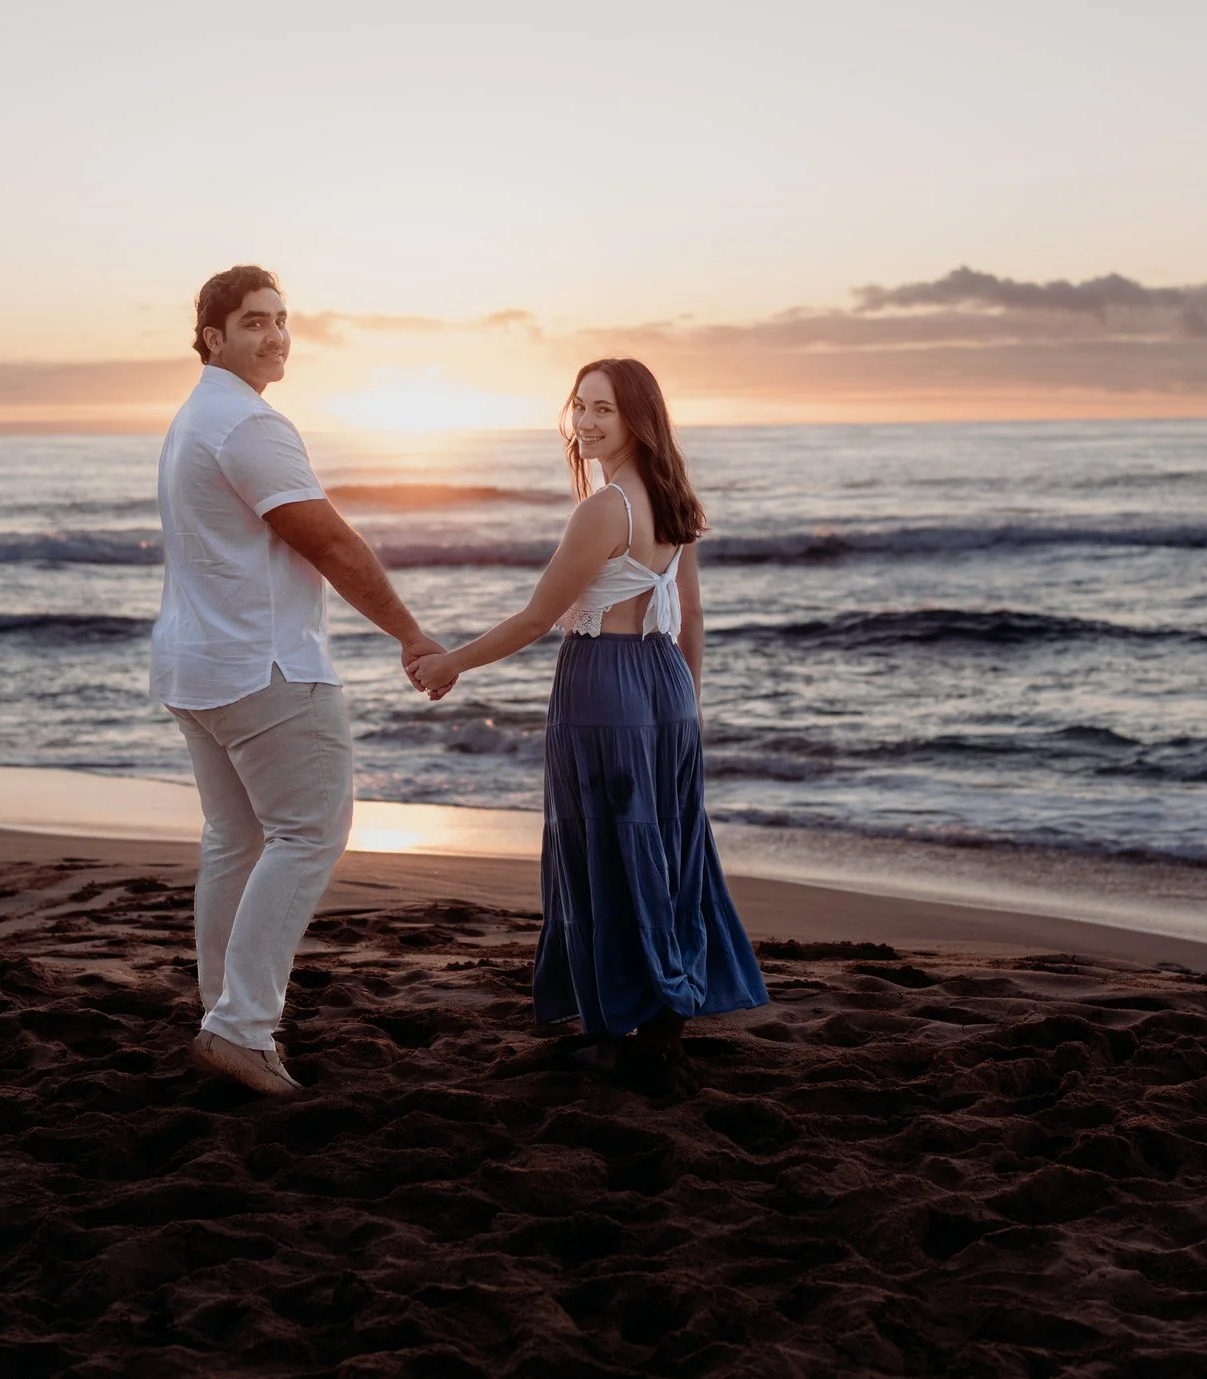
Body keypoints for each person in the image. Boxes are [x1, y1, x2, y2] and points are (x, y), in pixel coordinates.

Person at [409, 358, 767, 1077]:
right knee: (661, 847)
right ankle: (666, 1015)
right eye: (580, 407)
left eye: (604, 409)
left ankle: (619, 1019)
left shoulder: (604, 509)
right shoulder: (674, 499)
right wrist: (683, 707)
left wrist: (453, 662)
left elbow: (540, 616)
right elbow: (689, 617)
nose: (588, 422)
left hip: (604, 683)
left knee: (605, 849)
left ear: (638, 417)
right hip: (665, 680)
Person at [152, 265, 448, 1097]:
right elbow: (334, 544)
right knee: (311, 832)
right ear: (212, 336)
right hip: (265, 668)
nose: (275, 335)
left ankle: (225, 1017)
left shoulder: (193, 419)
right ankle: (242, 1026)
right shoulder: (249, 425)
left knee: (236, 842)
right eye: (254, 322)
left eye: (282, 319)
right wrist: (410, 632)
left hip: (200, 664)